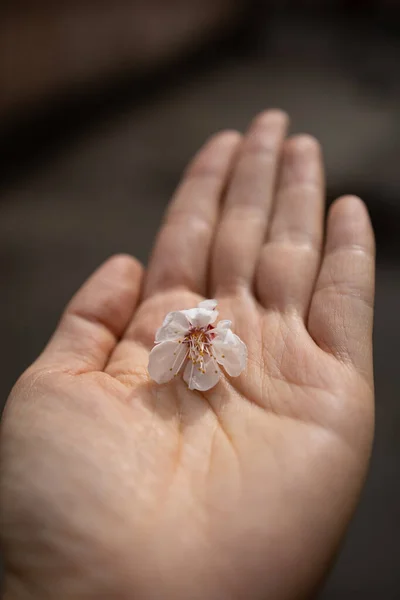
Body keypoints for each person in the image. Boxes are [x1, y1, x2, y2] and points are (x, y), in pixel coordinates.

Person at [0, 110, 375, 600]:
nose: (200, 344)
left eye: (202, 339)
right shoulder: (180, 342)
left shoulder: (212, 340)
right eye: (196, 340)